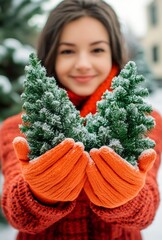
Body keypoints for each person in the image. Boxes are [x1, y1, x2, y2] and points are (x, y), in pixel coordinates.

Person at [0, 0, 162, 239]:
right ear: (50, 57)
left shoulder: (142, 121)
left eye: (97, 50)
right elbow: (18, 213)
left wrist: (125, 194)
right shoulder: (21, 126)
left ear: (114, 54)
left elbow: (145, 209)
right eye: (67, 51)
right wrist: (41, 193)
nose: (83, 64)